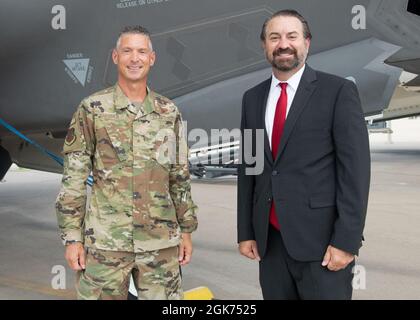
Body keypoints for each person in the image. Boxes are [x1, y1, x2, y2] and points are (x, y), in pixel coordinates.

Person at [55, 25, 198, 300]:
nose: (135, 58)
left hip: (160, 242)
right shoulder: (92, 109)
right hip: (107, 244)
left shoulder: (168, 112)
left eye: (142, 51)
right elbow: (73, 178)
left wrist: (187, 230)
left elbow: (179, 177)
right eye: (127, 51)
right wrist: (72, 237)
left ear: (152, 58)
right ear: (115, 57)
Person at [237, 10, 370, 300]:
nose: (283, 44)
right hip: (270, 244)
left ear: (307, 43)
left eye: (291, 36)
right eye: (275, 37)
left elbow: (355, 173)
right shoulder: (252, 98)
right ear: (264, 45)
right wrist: (246, 230)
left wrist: (346, 241)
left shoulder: (337, 91)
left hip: (323, 246)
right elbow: (250, 167)